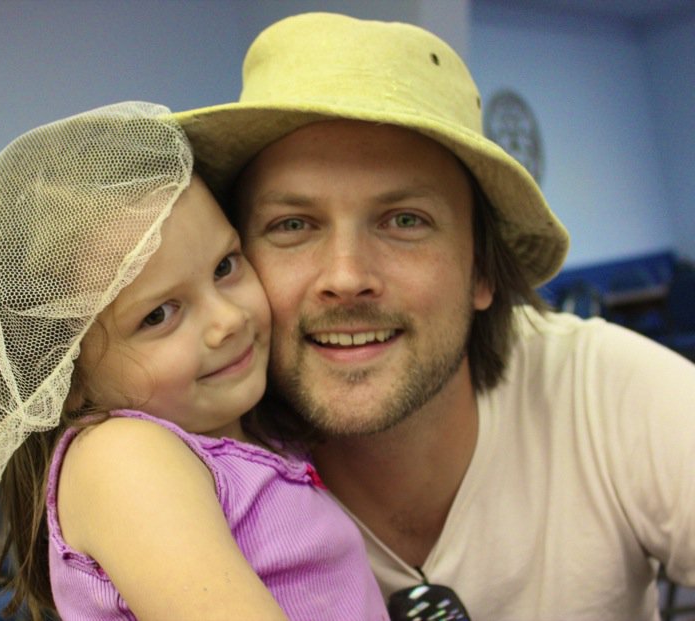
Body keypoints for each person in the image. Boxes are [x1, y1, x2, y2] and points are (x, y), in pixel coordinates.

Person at [173, 12, 695, 621]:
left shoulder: (603, 393)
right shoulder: (191, 473)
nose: (346, 276)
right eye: (293, 225)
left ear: (482, 270)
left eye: (405, 221)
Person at [0, 102, 389, 620]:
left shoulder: (252, 435)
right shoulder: (121, 456)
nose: (227, 319)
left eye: (225, 266)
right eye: (158, 315)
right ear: (61, 375)